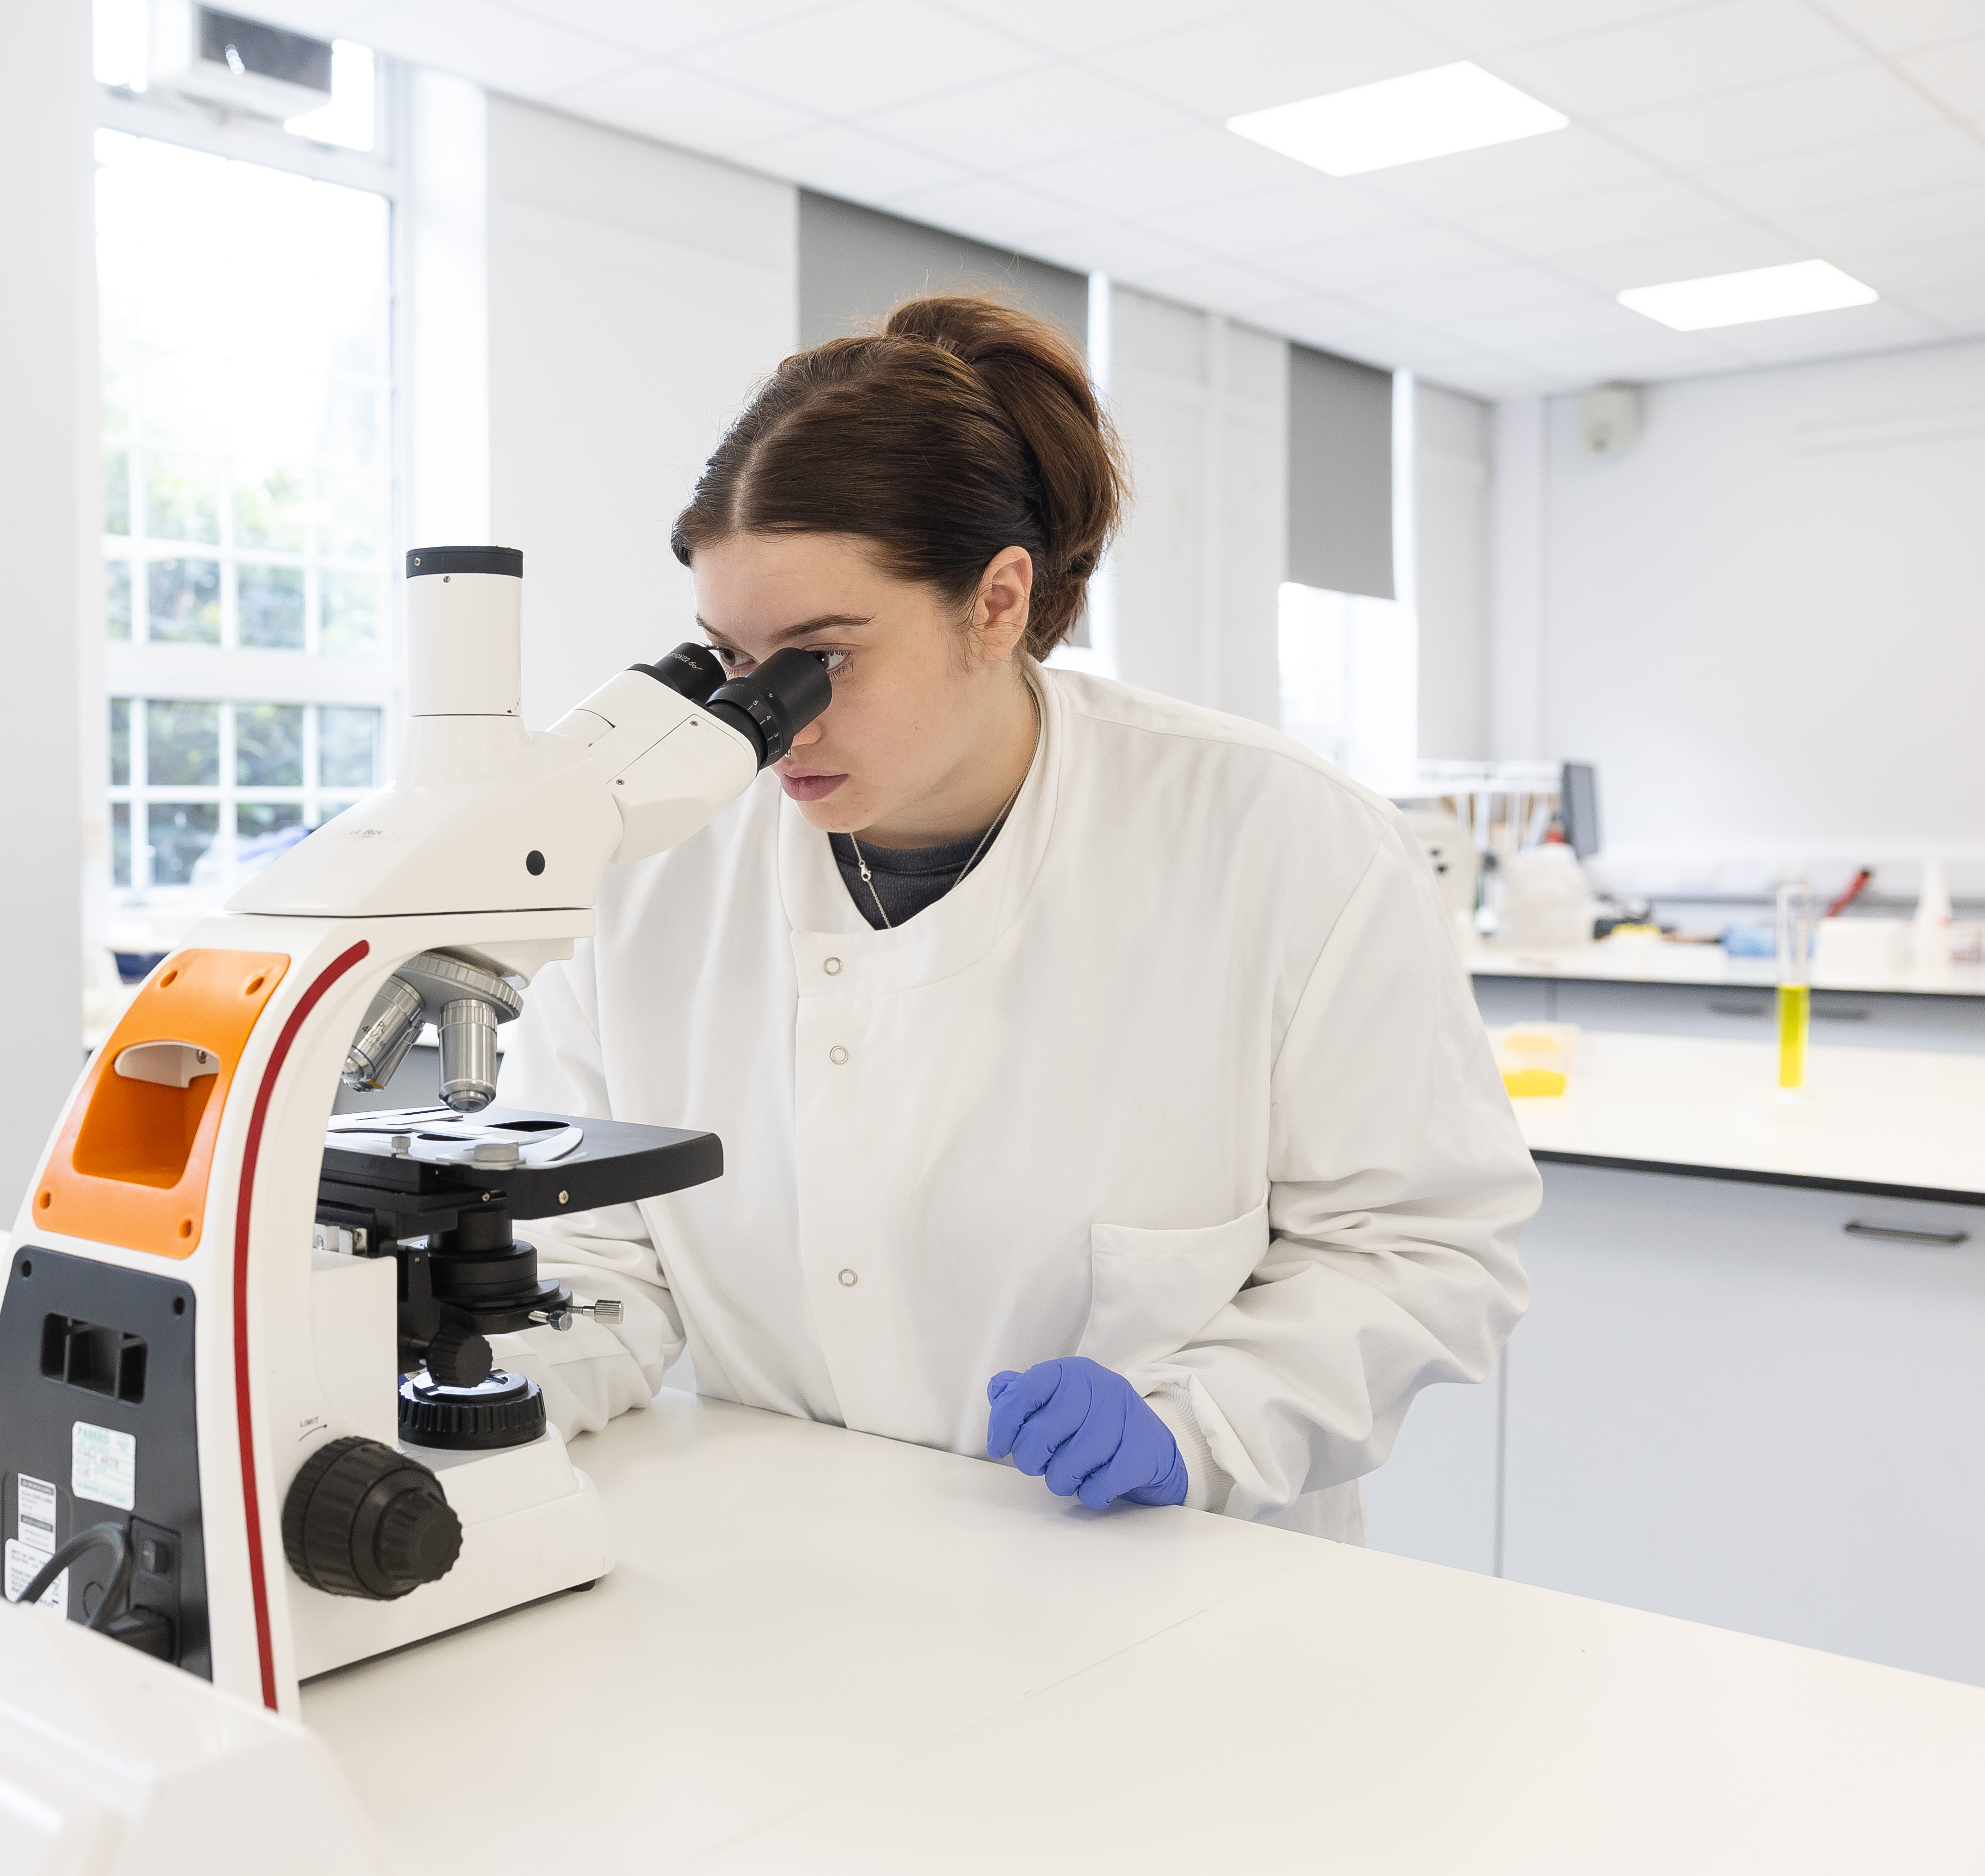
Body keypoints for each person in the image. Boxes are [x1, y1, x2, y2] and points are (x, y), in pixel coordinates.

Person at [486, 295, 1536, 1538]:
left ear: (995, 602)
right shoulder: (662, 861)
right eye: (731, 660)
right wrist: (491, 1388)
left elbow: (1419, 1240)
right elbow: (596, 1254)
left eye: (821, 657)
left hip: (1165, 1588)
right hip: (791, 1569)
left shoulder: (1278, 837)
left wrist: (1201, 1419)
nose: (774, 724)